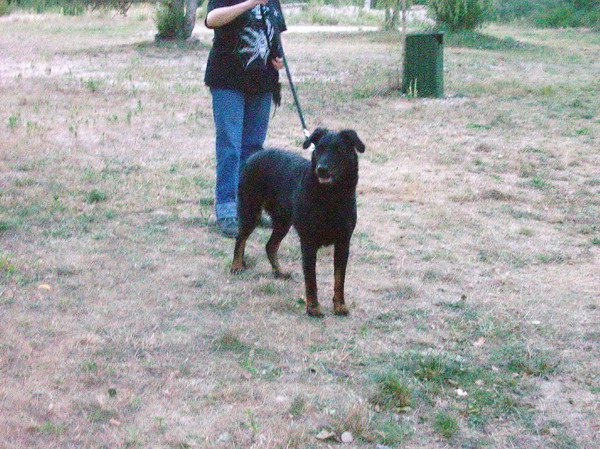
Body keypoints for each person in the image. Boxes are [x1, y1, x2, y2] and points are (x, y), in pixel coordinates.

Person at [205, 0, 287, 237]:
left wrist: (277, 57)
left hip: (261, 81)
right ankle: (227, 209)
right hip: (227, 79)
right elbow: (212, 19)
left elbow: (275, 32)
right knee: (230, 146)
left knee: (253, 149)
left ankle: (248, 208)